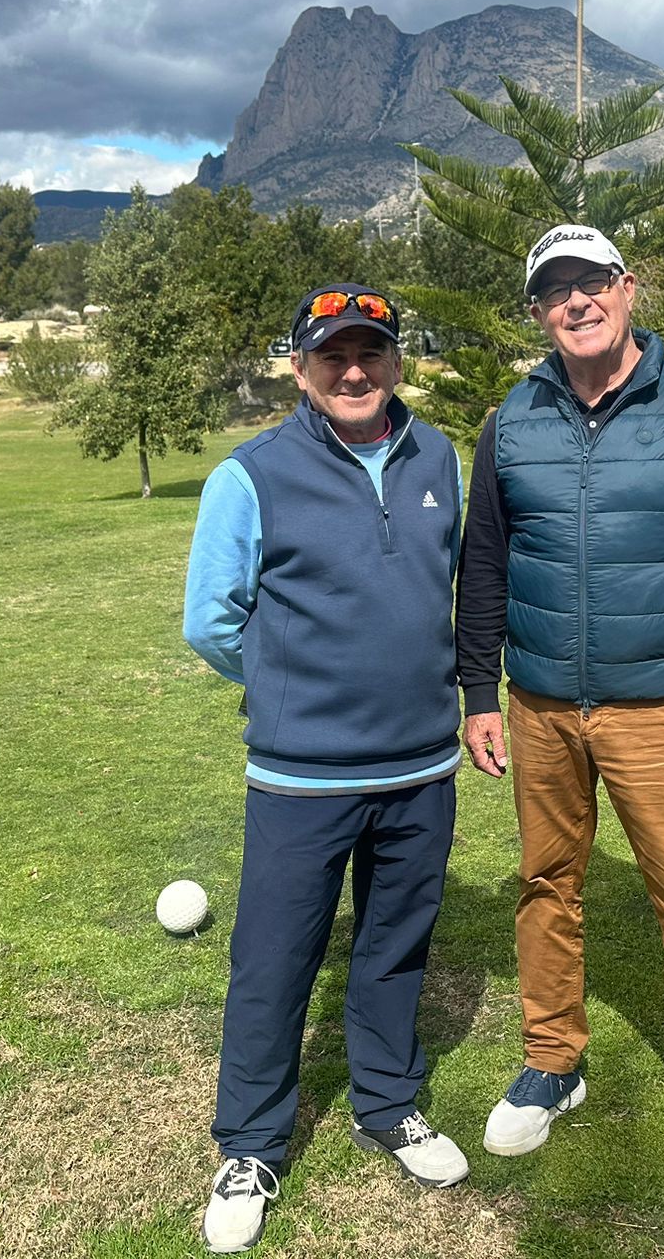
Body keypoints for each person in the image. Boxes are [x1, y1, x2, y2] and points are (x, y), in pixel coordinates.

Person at [456, 223, 664, 1186]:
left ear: (628, 287)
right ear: (538, 311)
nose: (576, 301)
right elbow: (483, 567)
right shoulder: (510, 420)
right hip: (542, 706)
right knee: (544, 887)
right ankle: (552, 1063)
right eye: (555, 290)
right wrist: (481, 692)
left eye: (592, 281)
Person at [183, 285, 470, 1253]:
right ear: (299, 367)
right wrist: (282, 685)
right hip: (301, 777)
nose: (355, 372)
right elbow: (209, 620)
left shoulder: (438, 458)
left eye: (372, 353)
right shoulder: (250, 475)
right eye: (333, 356)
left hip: (421, 766)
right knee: (272, 963)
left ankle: (386, 1102)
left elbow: (441, 588)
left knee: (394, 945)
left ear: (395, 361)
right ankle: (251, 1143)